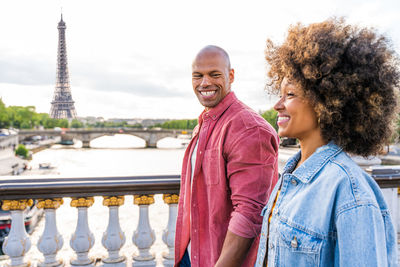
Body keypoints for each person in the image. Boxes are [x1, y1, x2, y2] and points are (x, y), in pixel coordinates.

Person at [255, 18, 399, 266]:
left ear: (325, 101)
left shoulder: (351, 194)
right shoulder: (290, 176)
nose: (277, 105)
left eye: (290, 95)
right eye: (279, 95)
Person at [174, 45, 280, 267]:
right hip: (193, 255)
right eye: (198, 76)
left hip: (220, 260)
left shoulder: (248, 128)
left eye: (214, 74)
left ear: (230, 76)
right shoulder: (205, 122)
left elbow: (250, 214)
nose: (205, 83)